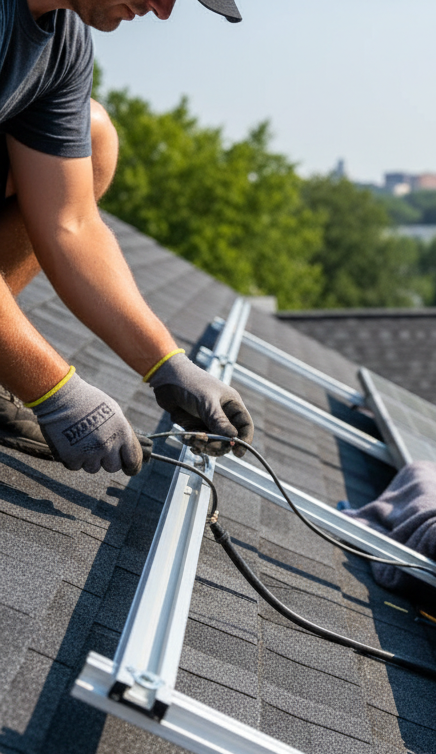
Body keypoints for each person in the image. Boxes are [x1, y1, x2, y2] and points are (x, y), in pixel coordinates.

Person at [0, 0, 252, 476]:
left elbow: (70, 224)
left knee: (91, 139)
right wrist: (55, 390)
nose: (162, 11)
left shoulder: (63, 43)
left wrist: (167, 364)